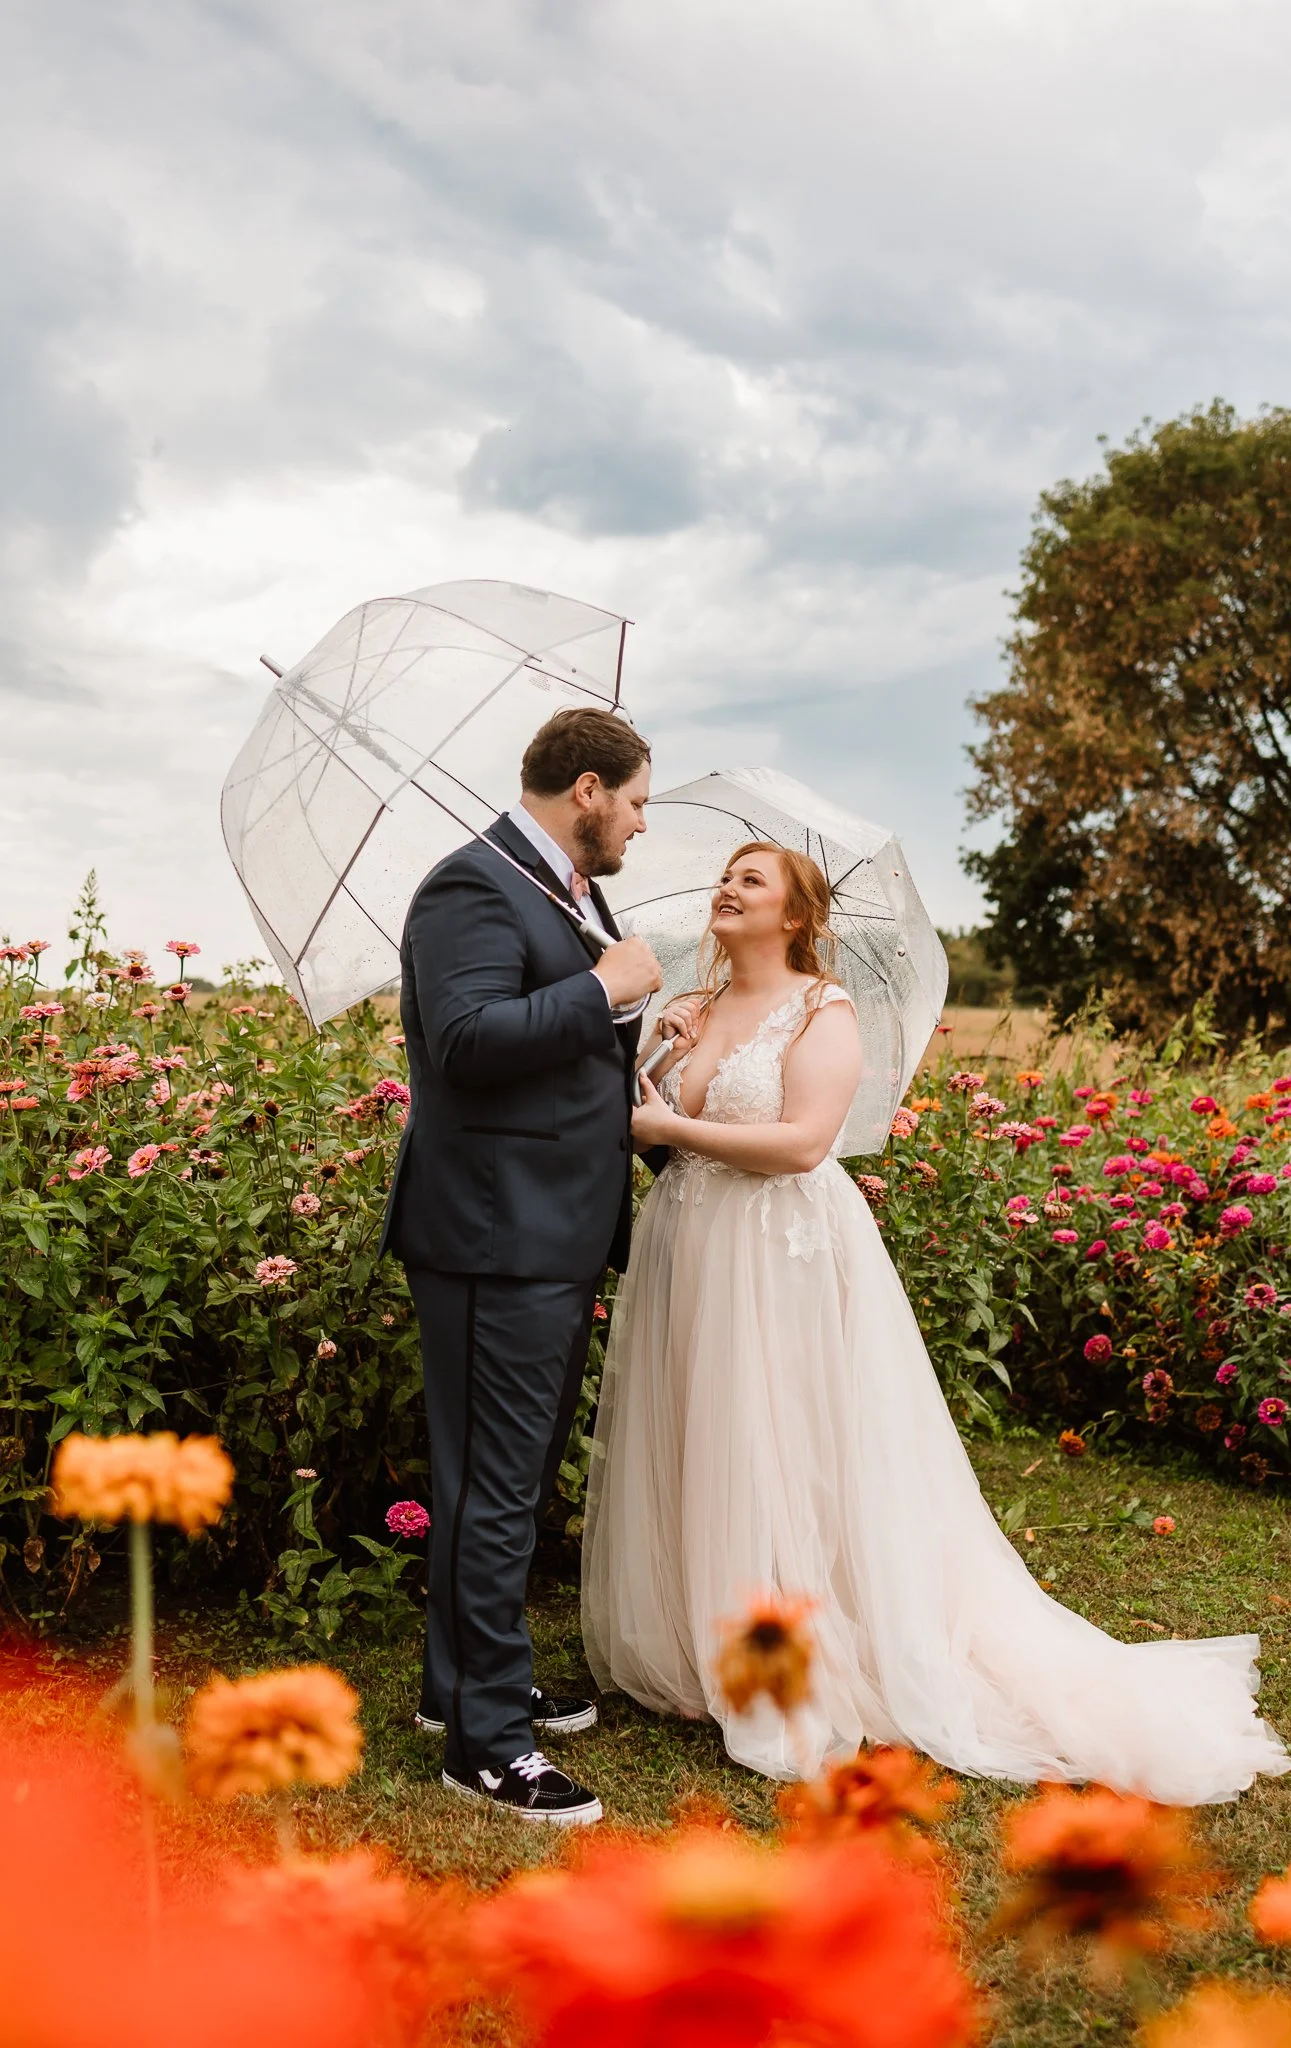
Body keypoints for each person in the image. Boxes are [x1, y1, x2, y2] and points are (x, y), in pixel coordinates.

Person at [581, 841, 1291, 1804]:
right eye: (725, 875)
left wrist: (671, 1130)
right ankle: (704, 1642)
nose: (727, 887)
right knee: (704, 1436)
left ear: (795, 915)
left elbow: (799, 1146)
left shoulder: (822, 1010)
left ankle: (792, 1656)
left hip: (777, 1252)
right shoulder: (692, 1011)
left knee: (781, 1442)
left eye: (752, 880)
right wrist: (656, 1045)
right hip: (692, 1246)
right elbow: (645, 1115)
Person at [380, 707, 662, 1825]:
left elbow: (553, 1054)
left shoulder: (570, 892)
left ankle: (461, 1683)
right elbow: (464, 1042)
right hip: (493, 1234)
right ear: (586, 789)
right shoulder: (473, 886)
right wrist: (603, 989)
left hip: (551, 1229)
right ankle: (486, 1743)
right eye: (638, 800)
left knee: (508, 1478)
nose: (642, 824)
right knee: (491, 1486)